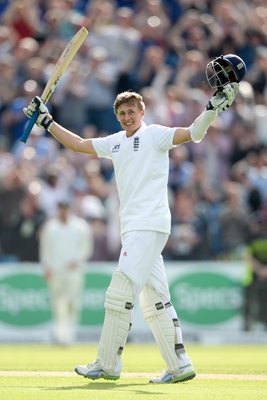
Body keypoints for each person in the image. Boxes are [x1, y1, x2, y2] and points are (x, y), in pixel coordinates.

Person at [24, 54, 246, 383]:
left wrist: (211, 109)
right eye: (123, 113)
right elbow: (81, 145)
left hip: (149, 223)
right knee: (155, 300)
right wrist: (47, 122)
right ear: (118, 117)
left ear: (142, 112)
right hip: (135, 228)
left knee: (119, 292)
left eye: (132, 112)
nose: (128, 117)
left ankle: (107, 363)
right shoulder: (115, 142)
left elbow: (192, 134)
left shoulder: (155, 134)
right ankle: (179, 364)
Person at [39, 200, 93, 345]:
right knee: (58, 303)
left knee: (73, 302)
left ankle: (70, 334)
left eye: (65, 209)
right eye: (61, 209)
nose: (63, 212)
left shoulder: (80, 226)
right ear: (58, 210)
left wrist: (78, 260)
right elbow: (45, 249)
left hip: (73, 271)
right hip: (56, 270)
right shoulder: (50, 227)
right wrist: (46, 267)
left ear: (69, 209)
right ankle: (59, 335)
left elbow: (87, 247)